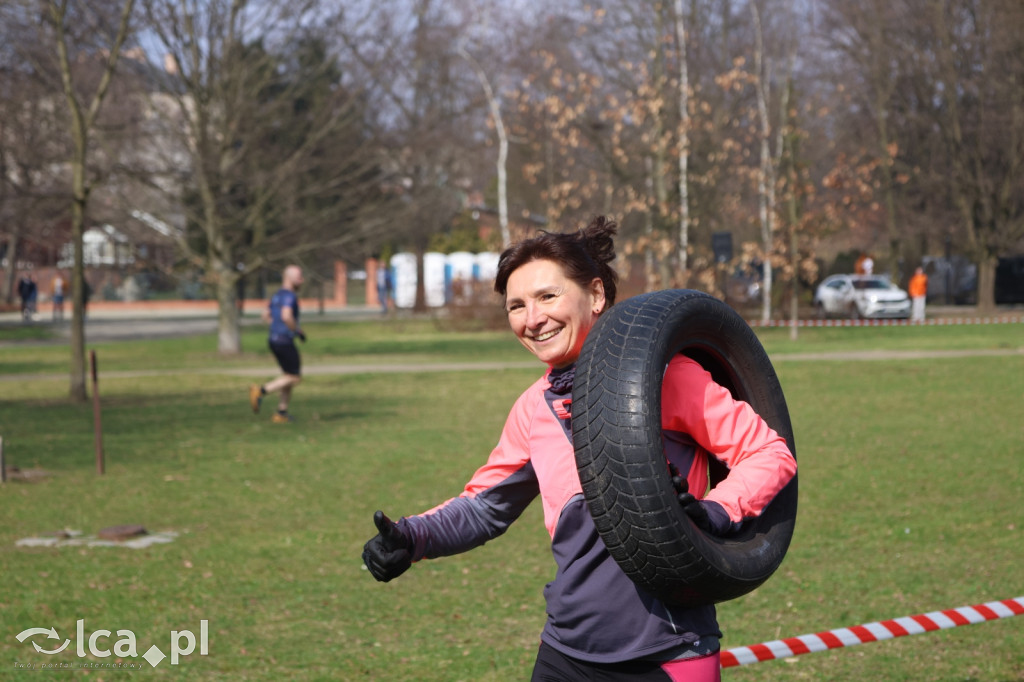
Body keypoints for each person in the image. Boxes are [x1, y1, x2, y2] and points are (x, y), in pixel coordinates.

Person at [361, 217, 797, 681]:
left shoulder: (667, 378)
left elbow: (770, 454)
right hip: (566, 651)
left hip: (666, 655)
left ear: (595, 295)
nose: (533, 319)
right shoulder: (533, 407)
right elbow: (484, 507)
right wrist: (411, 539)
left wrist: (714, 512)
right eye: (516, 306)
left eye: (548, 296)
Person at [249, 265, 306, 424]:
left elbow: (265, 315)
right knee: (295, 378)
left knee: (287, 376)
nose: (302, 280)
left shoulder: (277, 295)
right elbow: (287, 316)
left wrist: (275, 327)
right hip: (284, 340)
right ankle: (260, 391)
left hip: (273, 339)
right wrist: (297, 331)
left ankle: (281, 413)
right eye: (299, 277)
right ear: (290, 278)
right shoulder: (289, 296)